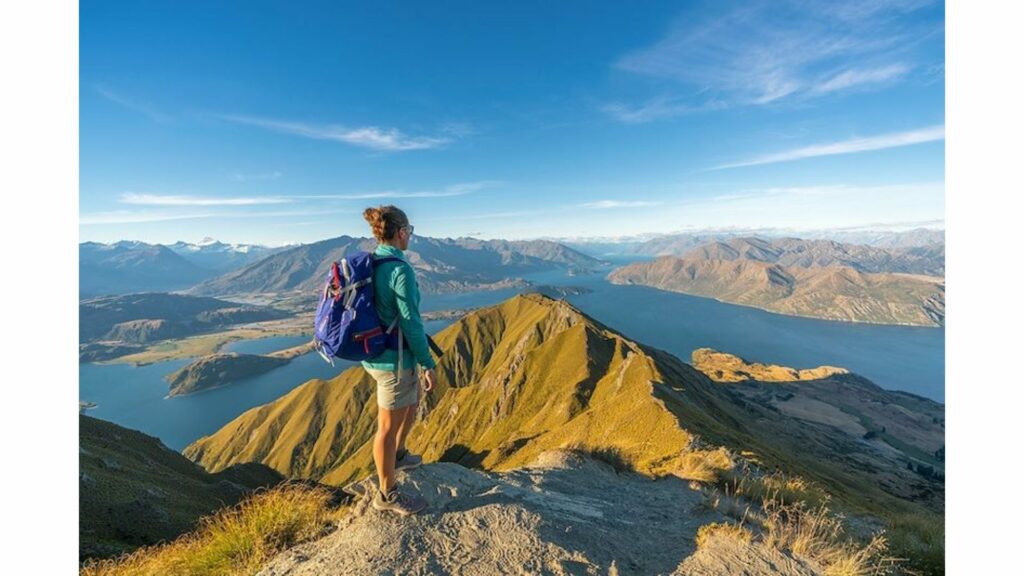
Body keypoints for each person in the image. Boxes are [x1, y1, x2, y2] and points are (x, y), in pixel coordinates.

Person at [361, 205, 436, 516]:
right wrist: (428, 363)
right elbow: (411, 322)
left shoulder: (374, 261)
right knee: (387, 430)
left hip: (378, 354)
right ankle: (387, 494)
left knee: (412, 401)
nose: (410, 237)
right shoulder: (400, 270)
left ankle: (400, 455)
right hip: (394, 361)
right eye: (410, 231)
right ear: (402, 232)